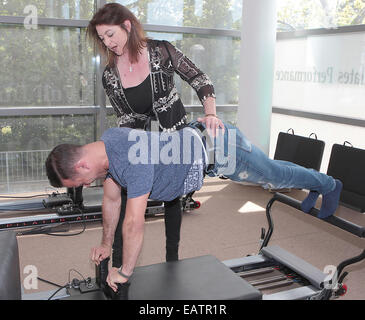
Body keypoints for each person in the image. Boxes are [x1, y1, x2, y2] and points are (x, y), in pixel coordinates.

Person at [45, 121, 343, 292]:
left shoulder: (130, 159)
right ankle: (317, 183)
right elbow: (111, 199)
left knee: (275, 176)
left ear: (83, 163)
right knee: (274, 171)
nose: (85, 186)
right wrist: (106, 244)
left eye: (79, 181)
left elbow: (134, 222)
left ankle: (328, 185)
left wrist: (124, 272)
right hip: (205, 148)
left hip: (224, 148)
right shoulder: (107, 144)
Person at [86, 3, 224, 267]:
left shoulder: (161, 51)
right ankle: (116, 260)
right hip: (139, 141)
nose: (107, 43)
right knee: (123, 195)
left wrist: (211, 114)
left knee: (172, 197)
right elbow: (124, 117)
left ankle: (172, 258)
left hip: (174, 134)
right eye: (102, 39)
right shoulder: (110, 75)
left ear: (127, 25)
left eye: (110, 34)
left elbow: (200, 78)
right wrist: (120, 161)